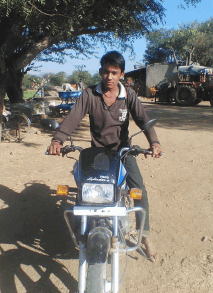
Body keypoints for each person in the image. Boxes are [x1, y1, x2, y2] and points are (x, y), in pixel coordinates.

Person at [48, 51, 162, 262]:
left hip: (123, 151)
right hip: (97, 152)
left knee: (138, 189)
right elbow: (72, 118)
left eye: (114, 72)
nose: (109, 77)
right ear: (100, 72)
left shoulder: (128, 95)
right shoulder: (90, 94)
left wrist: (154, 143)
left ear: (121, 75)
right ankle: (82, 232)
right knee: (83, 187)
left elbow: (143, 120)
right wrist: (58, 140)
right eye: (105, 72)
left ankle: (144, 236)